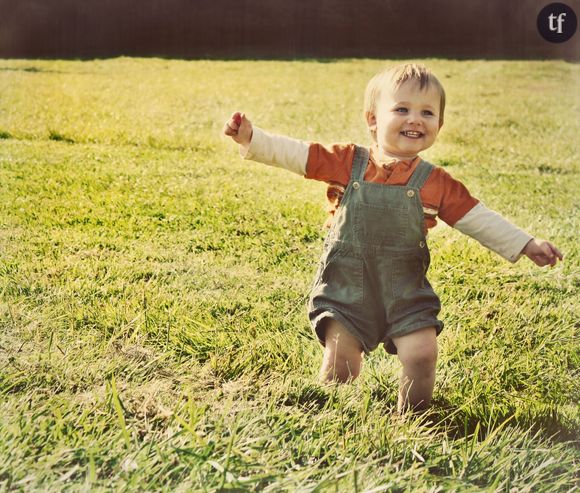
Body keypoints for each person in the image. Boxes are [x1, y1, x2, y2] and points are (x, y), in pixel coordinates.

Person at [223, 63, 563, 412]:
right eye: (402, 109)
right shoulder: (347, 162)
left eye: (427, 112)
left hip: (405, 289)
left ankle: (413, 420)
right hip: (347, 287)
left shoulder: (436, 182)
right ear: (373, 119)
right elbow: (299, 154)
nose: (415, 119)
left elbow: (477, 218)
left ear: (439, 126)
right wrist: (252, 138)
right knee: (341, 363)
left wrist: (525, 243)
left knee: (422, 353)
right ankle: (330, 416)